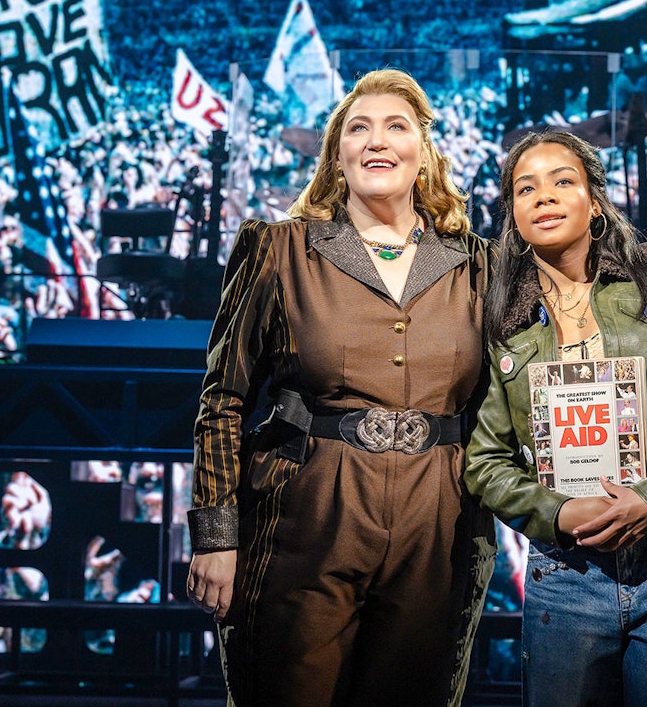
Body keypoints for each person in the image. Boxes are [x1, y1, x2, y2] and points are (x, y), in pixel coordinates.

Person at [185, 69, 494, 707]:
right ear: (337, 154)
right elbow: (222, 399)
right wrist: (217, 536)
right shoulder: (277, 250)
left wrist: (642, 263)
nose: (377, 140)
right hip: (308, 514)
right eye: (359, 128)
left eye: (396, 127)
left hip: (439, 522)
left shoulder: (480, 262)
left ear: (425, 152)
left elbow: (569, 292)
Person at [464, 130, 647, 706]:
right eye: (525, 188)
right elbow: (485, 461)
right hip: (564, 578)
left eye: (563, 181)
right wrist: (558, 513)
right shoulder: (500, 320)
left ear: (595, 200)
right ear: (511, 214)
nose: (544, 197)